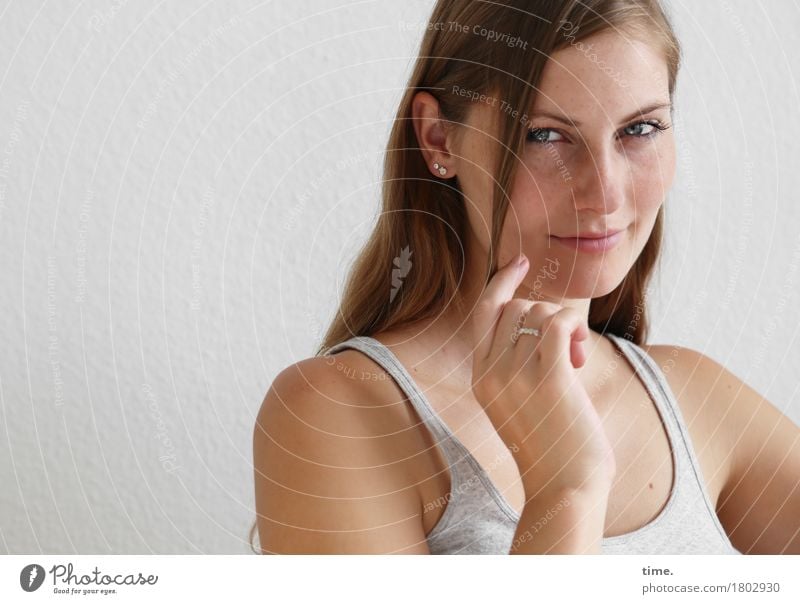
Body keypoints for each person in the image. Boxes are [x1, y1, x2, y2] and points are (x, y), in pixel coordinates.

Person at [252, 0, 800, 554]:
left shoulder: (694, 402)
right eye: (545, 135)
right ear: (440, 138)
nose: (606, 192)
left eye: (640, 128)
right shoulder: (338, 415)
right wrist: (568, 489)